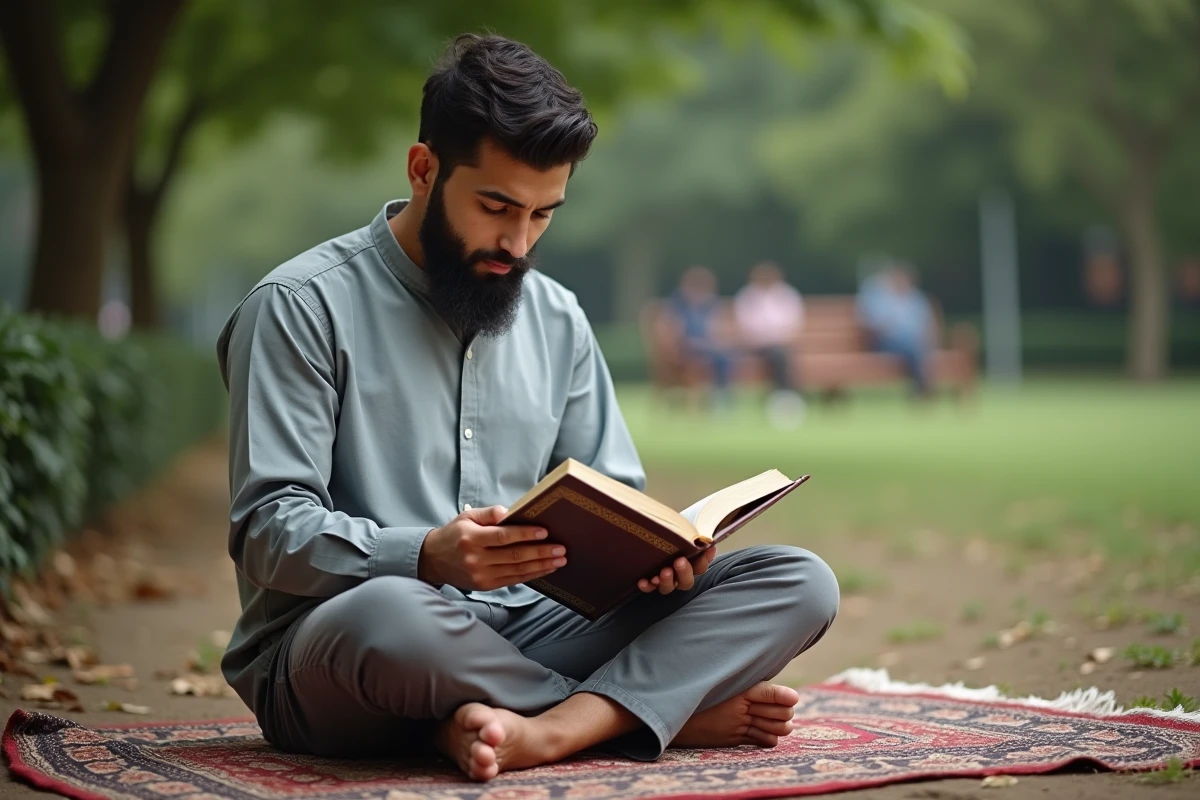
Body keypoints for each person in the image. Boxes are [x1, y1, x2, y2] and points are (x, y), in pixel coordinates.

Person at [217, 34, 839, 782]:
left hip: (533, 632)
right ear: (423, 169)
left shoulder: (558, 318)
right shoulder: (299, 306)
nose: (518, 242)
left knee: (799, 581)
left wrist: (652, 561)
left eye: (544, 214)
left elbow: (614, 499)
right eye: (496, 206)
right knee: (391, 615)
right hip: (344, 649)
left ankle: (520, 728)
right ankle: (637, 715)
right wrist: (423, 555)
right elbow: (267, 530)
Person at [733, 261, 806, 428]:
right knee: (780, 356)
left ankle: (783, 399)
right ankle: (787, 399)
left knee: (780, 354)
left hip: (781, 344)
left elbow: (793, 323)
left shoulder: (787, 295)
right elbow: (746, 326)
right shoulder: (747, 297)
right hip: (757, 346)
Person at [856, 262, 935, 397]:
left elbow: (927, 324)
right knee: (911, 347)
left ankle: (921, 388)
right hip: (886, 341)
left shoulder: (916, 299)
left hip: (913, 342)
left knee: (913, 346)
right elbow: (869, 322)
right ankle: (923, 388)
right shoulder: (880, 297)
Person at [666, 265, 734, 409]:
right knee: (716, 356)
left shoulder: (710, 305)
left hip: (708, 346)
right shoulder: (678, 305)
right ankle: (718, 398)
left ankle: (721, 396)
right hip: (686, 347)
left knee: (723, 357)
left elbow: (716, 328)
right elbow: (674, 329)